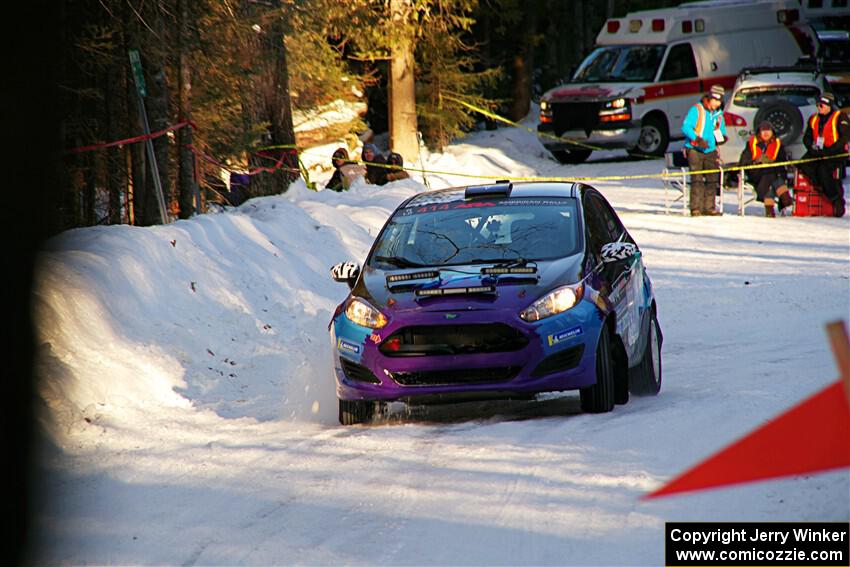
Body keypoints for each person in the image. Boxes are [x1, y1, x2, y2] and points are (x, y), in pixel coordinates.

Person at [798, 92, 849, 217]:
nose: (819, 108)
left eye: (822, 105)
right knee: (803, 165)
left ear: (829, 106)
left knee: (823, 171)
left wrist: (829, 151)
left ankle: (835, 198)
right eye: (818, 105)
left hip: (836, 153)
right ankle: (823, 186)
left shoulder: (840, 117)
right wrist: (812, 149)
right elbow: (807, 138)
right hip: (818, 152)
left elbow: (845, 138)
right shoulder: (814, 119)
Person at [681, 84, 728, 216]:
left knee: (712, 179)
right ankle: (696, 208)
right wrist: (697, 139)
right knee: (696, 179)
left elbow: (721, 130)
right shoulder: (697, 110)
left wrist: (722, 138)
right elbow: (686, 127)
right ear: (709, 98)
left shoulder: (719, 115)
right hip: (695, 149)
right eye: (715, 100)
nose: (717, 103)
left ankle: (709, 207)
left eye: (719, 101)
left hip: (711, 150)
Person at [738, 121, 793, 217]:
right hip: (756, 173)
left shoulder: (778, 144)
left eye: (768, 130)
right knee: (770, 175)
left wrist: (771, 162)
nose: (766, 133)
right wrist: (757, 161)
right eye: (763, 131)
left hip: (774, 173)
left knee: (771, 175)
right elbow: (743, 162)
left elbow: (783, 161)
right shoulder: (751, 144)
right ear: (759, 132)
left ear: (772, 132)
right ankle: (784, 196)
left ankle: (769, 209)